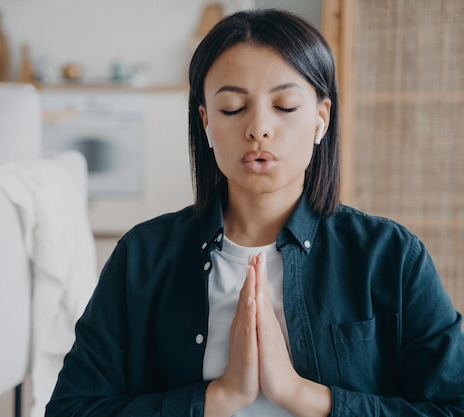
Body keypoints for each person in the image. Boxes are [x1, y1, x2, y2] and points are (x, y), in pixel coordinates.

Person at [45, 9, 464, 417]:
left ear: (321, 120)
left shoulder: (390, 256)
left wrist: (301, 395)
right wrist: (218, 398)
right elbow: (71, 408)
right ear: (206, 122)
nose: (259, 128)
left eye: (284, 106)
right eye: (232, 108)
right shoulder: (144, 255)